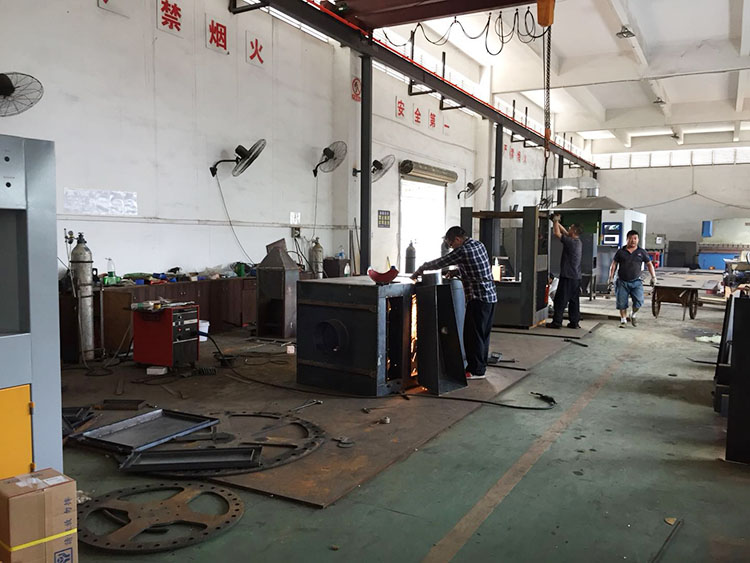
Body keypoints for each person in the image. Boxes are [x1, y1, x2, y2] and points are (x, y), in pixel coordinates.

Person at [411, 226, 497, 380]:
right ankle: (480, 367)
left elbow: (441, 262)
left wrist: (421, 269)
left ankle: (476, 371)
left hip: (478, 298)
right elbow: (476, 266)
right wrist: (457, 271)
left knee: (472, 336)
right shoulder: (478, 244)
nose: (452, 247)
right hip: (490, 297)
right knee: (482, 335)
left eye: (451, 244)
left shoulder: (462, 251)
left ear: (457, 239)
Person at [608, 230, 657, 328]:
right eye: (630, 238)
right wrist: (610, 278)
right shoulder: (621, 252)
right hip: (622, 281)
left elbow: (649, 264)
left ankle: (633, 314)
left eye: (635, 238)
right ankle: (623, 320)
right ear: (627, 239)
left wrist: (653, 277)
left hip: (636, 281)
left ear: (638, 240)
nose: (633, 240)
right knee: (622, 302)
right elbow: (613, 265)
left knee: (639, 301)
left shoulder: (641, 252)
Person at [547, 215, 583, 329]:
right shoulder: (577, 241)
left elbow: (557, 233)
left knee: (560, 300)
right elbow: (565, 233)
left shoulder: (571, 242)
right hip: (576, 277)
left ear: (574, 231)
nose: (568, 229)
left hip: (568, 276)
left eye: (570, 228)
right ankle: (574, 322)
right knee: (574, 301)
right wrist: (556, 222)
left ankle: (557, 322)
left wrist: (555, 221)